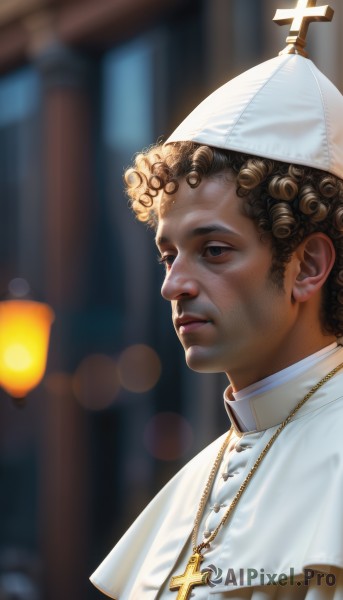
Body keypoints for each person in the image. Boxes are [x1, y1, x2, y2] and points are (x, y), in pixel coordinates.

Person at [90, 2, 343, 598]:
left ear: (307, 266)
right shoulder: (201, 474)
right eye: (168, 254)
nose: (173, 284)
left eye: (215, 250)